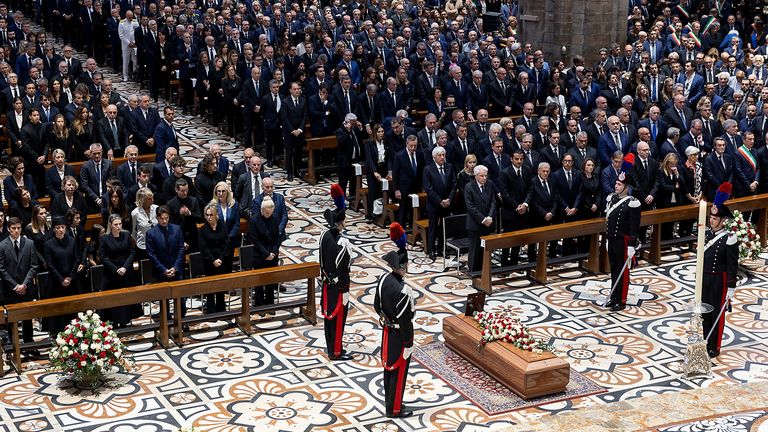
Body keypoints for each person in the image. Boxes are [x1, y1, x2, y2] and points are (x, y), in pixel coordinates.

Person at [374, 240, 415, 419]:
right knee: (398, 373)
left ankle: (389, 402)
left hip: (387, 331)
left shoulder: (384, 279)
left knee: (388, 369)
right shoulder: (404, 291)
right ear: (403, 267)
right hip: (399, 335)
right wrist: (408, 343)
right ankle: (394, 408)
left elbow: (377, 305)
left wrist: (386, 319)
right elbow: (406, 321)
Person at [702, 182, 739, 358]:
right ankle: (705, 340)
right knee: (705, 311)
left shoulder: (730, 239)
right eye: (711, 217)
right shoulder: (706, 234)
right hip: (705, 278)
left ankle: (714, 346)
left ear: (723, 220)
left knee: (717, 313)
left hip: (719, 280)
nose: (711, 220)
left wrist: (731, 288)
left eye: (715, 219)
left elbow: (733, 265)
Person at [318, 184, 353, 360]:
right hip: (338, 288)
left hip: (326, 284)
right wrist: (345, 290)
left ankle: (330, 347)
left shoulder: (324, 236)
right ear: (341, 223)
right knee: (338, 321)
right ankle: (336, 351)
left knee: (328, 319)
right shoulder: (343, 243)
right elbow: (344, 269)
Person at [604, 154, 641, 312]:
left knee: (622, 271)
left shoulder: (632, 202)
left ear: (626, 187)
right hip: (612, 239)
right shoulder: (611, 198)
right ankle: (613, 295)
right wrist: (606, 238)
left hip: (624, 242)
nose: (616, 186)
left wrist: (632, 245)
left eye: (619, 184)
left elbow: (634, 227)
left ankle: (622, 299)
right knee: (613, 268)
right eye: (616, 183)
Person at [0, 217, 39, 349]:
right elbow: (1, 269)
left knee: (28, 317)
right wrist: (15, 286)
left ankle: (29, 344)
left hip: (26, 287)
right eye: (13, 228)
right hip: (10, 289)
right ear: (8, 229)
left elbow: (34, 266)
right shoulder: (2, 245)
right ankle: (13, 346)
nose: (16, 231)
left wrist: (24, 284)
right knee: (12, 319)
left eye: (18, 228)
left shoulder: (29, 243)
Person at [98, 214, 140, 327]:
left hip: (126, 271)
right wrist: (116, 269)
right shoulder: (104, 238)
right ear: (110, 225)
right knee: (114, 300)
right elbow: (102, 257)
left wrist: (125, 267)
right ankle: (114, 322)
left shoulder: (126, 235)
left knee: (126, 298)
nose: (118, 226)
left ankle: (125, 321)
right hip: (112, 273)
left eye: (120, 224)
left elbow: (132, 252)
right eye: (115, 224)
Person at [44, 216, 84, 334]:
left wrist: (70, 277)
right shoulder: (48, 244)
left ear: (65, 228)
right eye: (57, 228)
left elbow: (77, 259)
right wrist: (61, 279)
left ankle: (75, 331)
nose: (60, 230)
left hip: (72, 280)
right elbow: (50, 264)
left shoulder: (71, 240)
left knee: (73, 307)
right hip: (56, 282)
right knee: (58, 309)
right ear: (54, 229)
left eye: (62, 227)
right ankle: (57, 332)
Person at [146, 206, 186, 317]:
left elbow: (181, 249)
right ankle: (166, 320)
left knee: (180, 297)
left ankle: (181, 319)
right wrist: (164, 269)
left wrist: (175, 267)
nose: (164, 221)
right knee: (164, 299)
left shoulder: (177, 229)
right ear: (157, 218)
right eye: (162, 218)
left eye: (166, 218)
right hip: (161, 271)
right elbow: (151, 254)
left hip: (176, 269)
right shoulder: (151, 233)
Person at [422, 146, 456, 259]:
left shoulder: (449, 167)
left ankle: (441, 249)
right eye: (439, 156)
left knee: (443, 228)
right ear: (434, 157)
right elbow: (428, 189)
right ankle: (431, 250)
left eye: (443, 155)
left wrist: (449, 200)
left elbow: (453, 185)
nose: (442, 157)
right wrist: (440, 201)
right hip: (434, 204)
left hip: (446, 203)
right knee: (433, 228)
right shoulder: (428, 169)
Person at [249, 196, 283, 309]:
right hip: (259, 255)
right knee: (259, 282)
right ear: (261, 210)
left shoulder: (274, 218)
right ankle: (259, 305)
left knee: (270, 281)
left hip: (272, 255)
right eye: (266, 213)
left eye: (270, 213)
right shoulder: (254, 220)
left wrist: (273, 252)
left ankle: (270, 304)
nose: (268, 215)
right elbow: (255, 240)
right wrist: (266, 254)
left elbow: (277, 237)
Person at [199, 203, 231, 314]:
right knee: (210, 287)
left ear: (216, 215)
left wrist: (221, 258)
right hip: (209, 262)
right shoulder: (203, 229)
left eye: (211, 215)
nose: (209, 217)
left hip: (222, 261)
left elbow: (226, 243)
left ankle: (221, 308)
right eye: (207, 215)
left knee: (221, 285)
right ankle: (211, 309)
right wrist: (213, 260)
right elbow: (203, 248)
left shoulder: (222, 226)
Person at [465, 165, 497, 272]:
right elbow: (470, 207)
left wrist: (490, 216)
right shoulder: (469, 187)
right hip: (475, 224)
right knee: (475, 249)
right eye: (482, 176)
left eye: (485, 176)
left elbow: (493, 202)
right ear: (476, 176)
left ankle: (483, 270)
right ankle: (473, 271)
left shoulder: (489, 185)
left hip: (487, 223)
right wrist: (483, 219)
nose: (484, 178)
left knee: (484, 248)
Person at [131, 187, 158, 262]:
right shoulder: (135, 213)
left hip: (157, 245)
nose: (152, 200)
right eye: (149, 199)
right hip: (143, 246)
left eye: (152, 198)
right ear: (142, 200)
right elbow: (133, 231)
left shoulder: (156, 208)